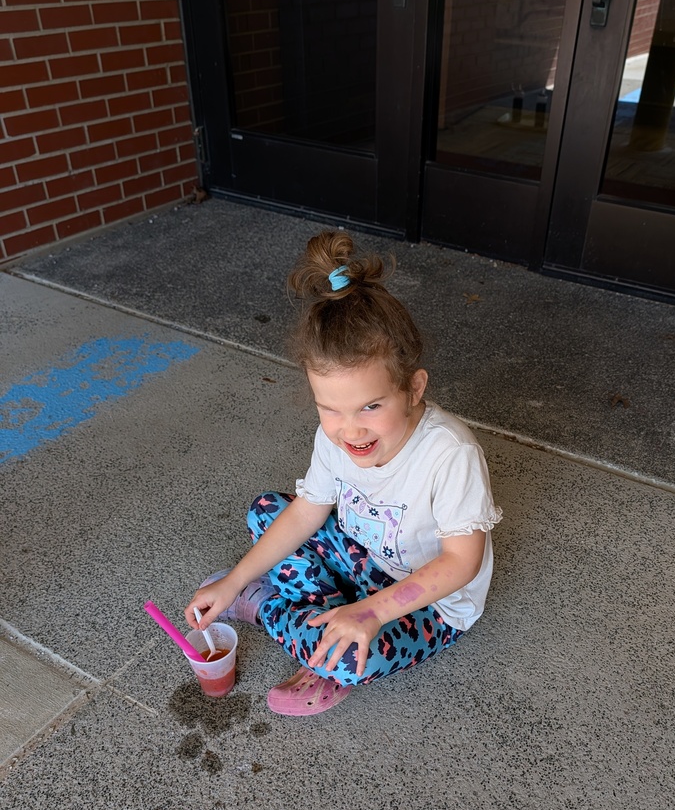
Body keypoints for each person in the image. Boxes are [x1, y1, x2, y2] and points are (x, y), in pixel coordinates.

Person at [185, 230, 502, 716]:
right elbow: (309, 509)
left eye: (371, 406)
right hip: (364, 560)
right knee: (268, 512)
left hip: (429, 605)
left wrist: (372, 612)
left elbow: (462, 563)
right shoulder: (335, 436)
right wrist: (232, 579)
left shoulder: (449, 453)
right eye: (329, 409)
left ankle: (268, 610)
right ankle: (314, 615)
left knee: (352, 661)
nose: (350, 430)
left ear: (414, 388)